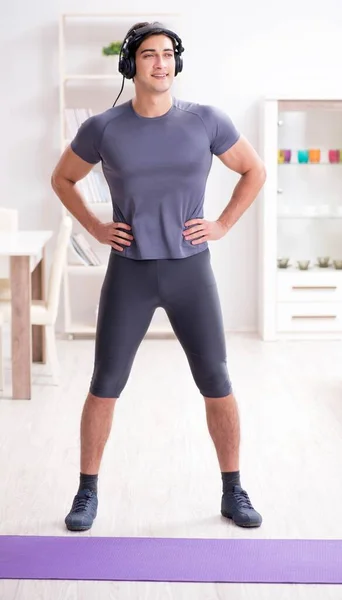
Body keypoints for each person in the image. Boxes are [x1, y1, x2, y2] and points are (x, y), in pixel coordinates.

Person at [51, 21, 266, 532]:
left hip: (191, 271)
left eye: (168, 54)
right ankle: (86, 493)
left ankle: (233, 490)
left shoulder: (206, 121)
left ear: (177, 62)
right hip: (130, 273)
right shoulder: (103, 127)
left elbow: (254, 170)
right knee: (105, 384)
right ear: (131, 65)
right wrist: (95, 226)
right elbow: (62, 177)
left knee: (216, 381)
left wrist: (223, 223)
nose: (161, 63)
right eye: (149, 55)